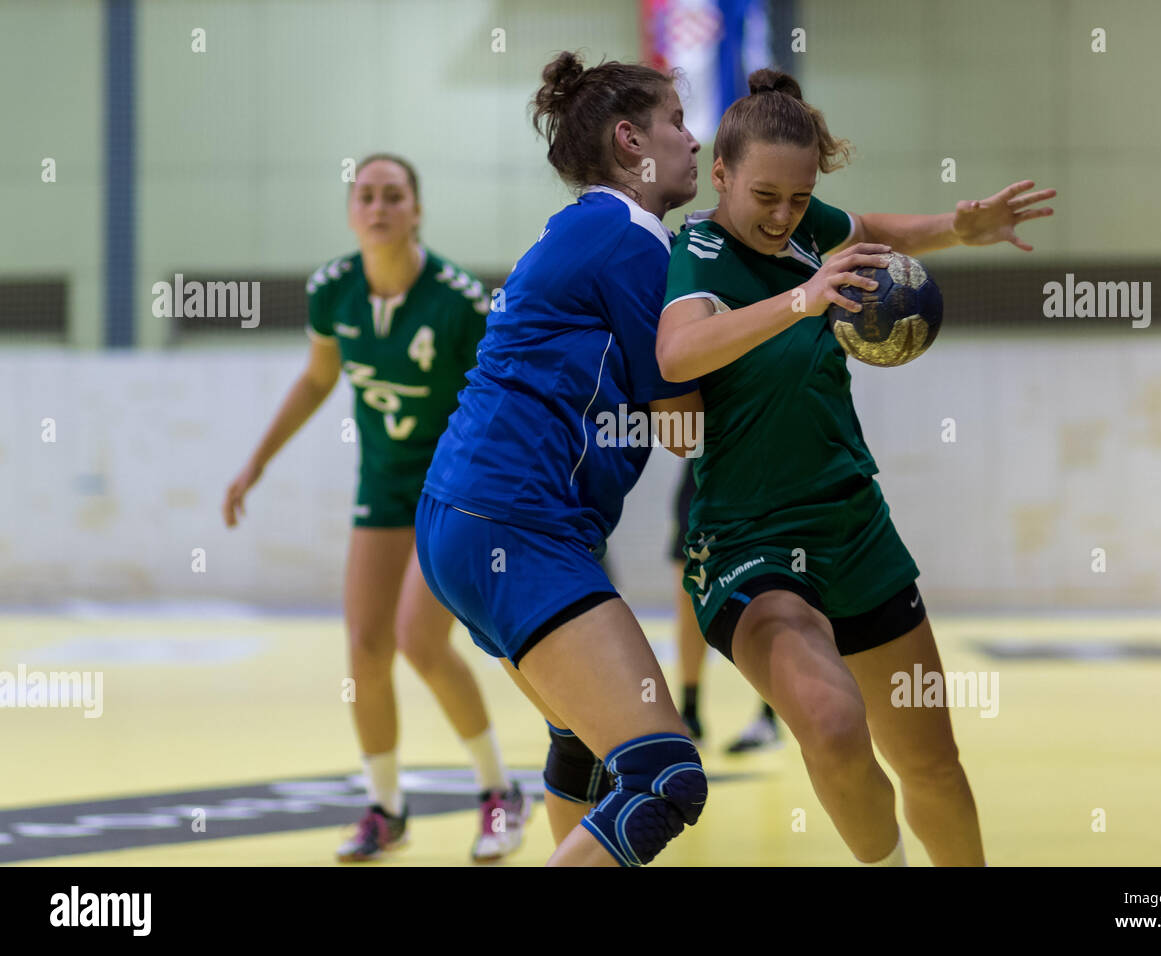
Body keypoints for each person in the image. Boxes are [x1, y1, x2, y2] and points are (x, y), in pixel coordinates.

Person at [658, 69, 1056, 865]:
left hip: (853, 528)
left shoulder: (810, 231)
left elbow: (869, 225)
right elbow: (677, 352)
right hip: (749, 548)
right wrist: (805, 298)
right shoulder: (694, 253)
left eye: (799, 200)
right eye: (764, 196)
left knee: (932, 765)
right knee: (834, 727)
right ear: (722, 175)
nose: (783, 217)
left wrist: (957, 226)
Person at [415, 51, 708, 867]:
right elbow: (683, 424)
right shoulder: (631, 241)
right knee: (664, 776)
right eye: (675, 122)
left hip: (471, 521)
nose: (695, 140)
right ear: (630, 140)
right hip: (518, 523)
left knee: (583, 745)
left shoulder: (589, 226)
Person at [222, 154, 528, 863]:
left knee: (419, 640)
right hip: (382, 490)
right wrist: (256, 463)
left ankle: (498, 791)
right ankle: (386, 808)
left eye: (394, 196)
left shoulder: (456, 300)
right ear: (352, 211)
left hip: (451, 492)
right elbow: (317, 378)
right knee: (364, 647)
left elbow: (498, 403)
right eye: (366, 196)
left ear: (416, 209)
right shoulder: (332, 290)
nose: (379, 207)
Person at [670, 461, 783, 752]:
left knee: (770, 584)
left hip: (765, 462)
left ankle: (769, 716)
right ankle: (690, 714)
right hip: (707, 465)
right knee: (692, 584)